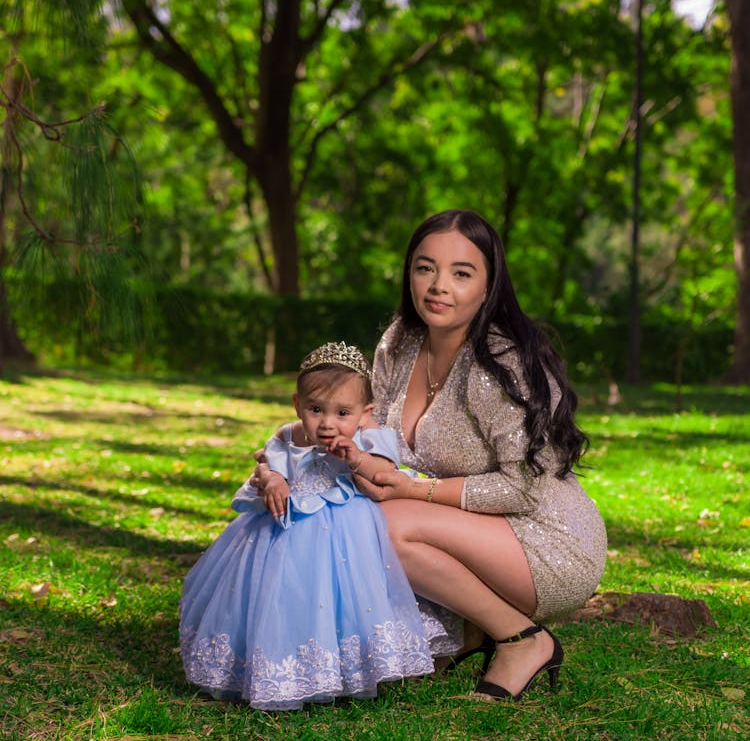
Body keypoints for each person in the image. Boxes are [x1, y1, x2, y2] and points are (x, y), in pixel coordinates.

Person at [355, 209, 607, 701]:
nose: (438, 286)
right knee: (362, 516)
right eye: (425, 268)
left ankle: (522, 640)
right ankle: (468, 631)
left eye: (461, 273)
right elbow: (375, 439)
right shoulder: (398, 345)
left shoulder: (502, 364)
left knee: (388, 525)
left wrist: (413, 489)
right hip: (461, 526)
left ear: (489, 285)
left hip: (545, 537)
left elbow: (523, 488)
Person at [179, 342, 434, 710]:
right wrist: (273, 480)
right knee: (286, 595)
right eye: (316, 410)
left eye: (342, 412)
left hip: (348, 529)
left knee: (346, 597)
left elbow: (384, 472)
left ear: (365, 412)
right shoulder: (291, 434)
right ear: (299, 405)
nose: (328, 423)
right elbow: (270, 459)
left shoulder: (370, 433)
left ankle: (350, 668)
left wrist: (358, 457)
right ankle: (287, 665)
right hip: (287, 527)